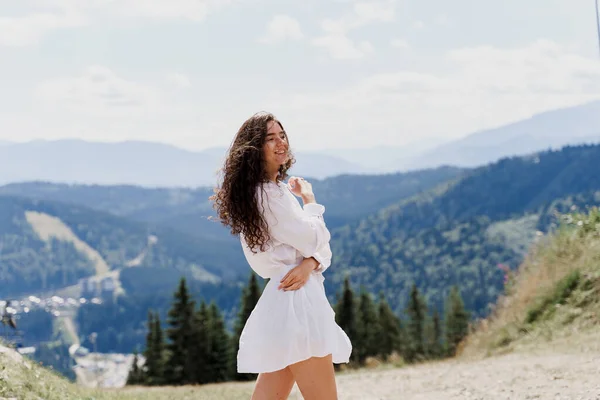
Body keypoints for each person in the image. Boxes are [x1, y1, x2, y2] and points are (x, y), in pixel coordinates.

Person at [211, 111, 352, 399]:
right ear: (253, 149)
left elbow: (318, 249)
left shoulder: (265, 192)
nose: (281, 143)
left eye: (282, 135)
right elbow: (315, 238)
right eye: (270, 139)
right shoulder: (269, 196)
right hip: (298, 306)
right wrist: (310, 200)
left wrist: (311, 262)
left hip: (285, 302)